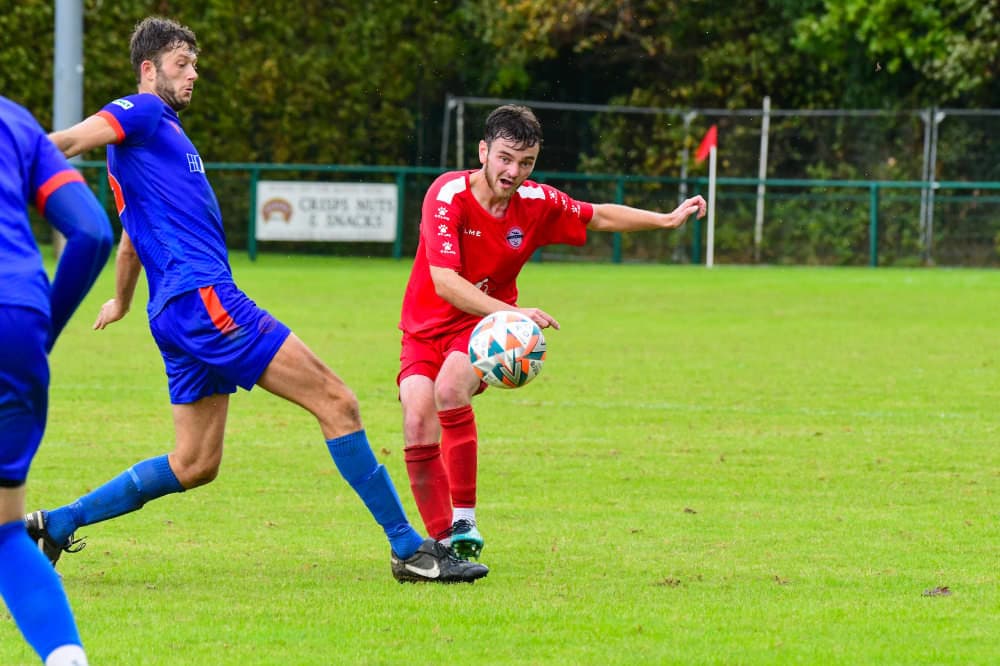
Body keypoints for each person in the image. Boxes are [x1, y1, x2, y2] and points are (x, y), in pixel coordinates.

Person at [25, 16, 487, 585]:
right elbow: (69, 141)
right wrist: (16, 157)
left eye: (194, 64)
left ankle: (58, 523)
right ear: (148, 69)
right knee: (338, 402)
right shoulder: (140, 111)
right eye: (181, 64)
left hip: (174, 310)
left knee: (195, 463)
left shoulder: (153, 141)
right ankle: (410, 550)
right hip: (205, 301)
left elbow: (130, 239)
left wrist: (120, 300)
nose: (193, 74)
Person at [398, 104, 707, 560]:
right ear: (483, 151)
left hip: (482, 326)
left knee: (449, 389)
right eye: (505, 158)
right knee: (416, 420)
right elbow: (445, 282)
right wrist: (516, 313)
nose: (513, 172)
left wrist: (664, 219)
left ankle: (464, 520)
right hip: (425, 328)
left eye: (526, 162)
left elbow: (597, 216)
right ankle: (444, 546)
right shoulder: (447, 195)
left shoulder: (536, 202)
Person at [1, 95, 113, 665]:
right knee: (5, 533)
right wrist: (39, 332)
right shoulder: (15, 122)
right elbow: (92, 233)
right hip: (18, 321)